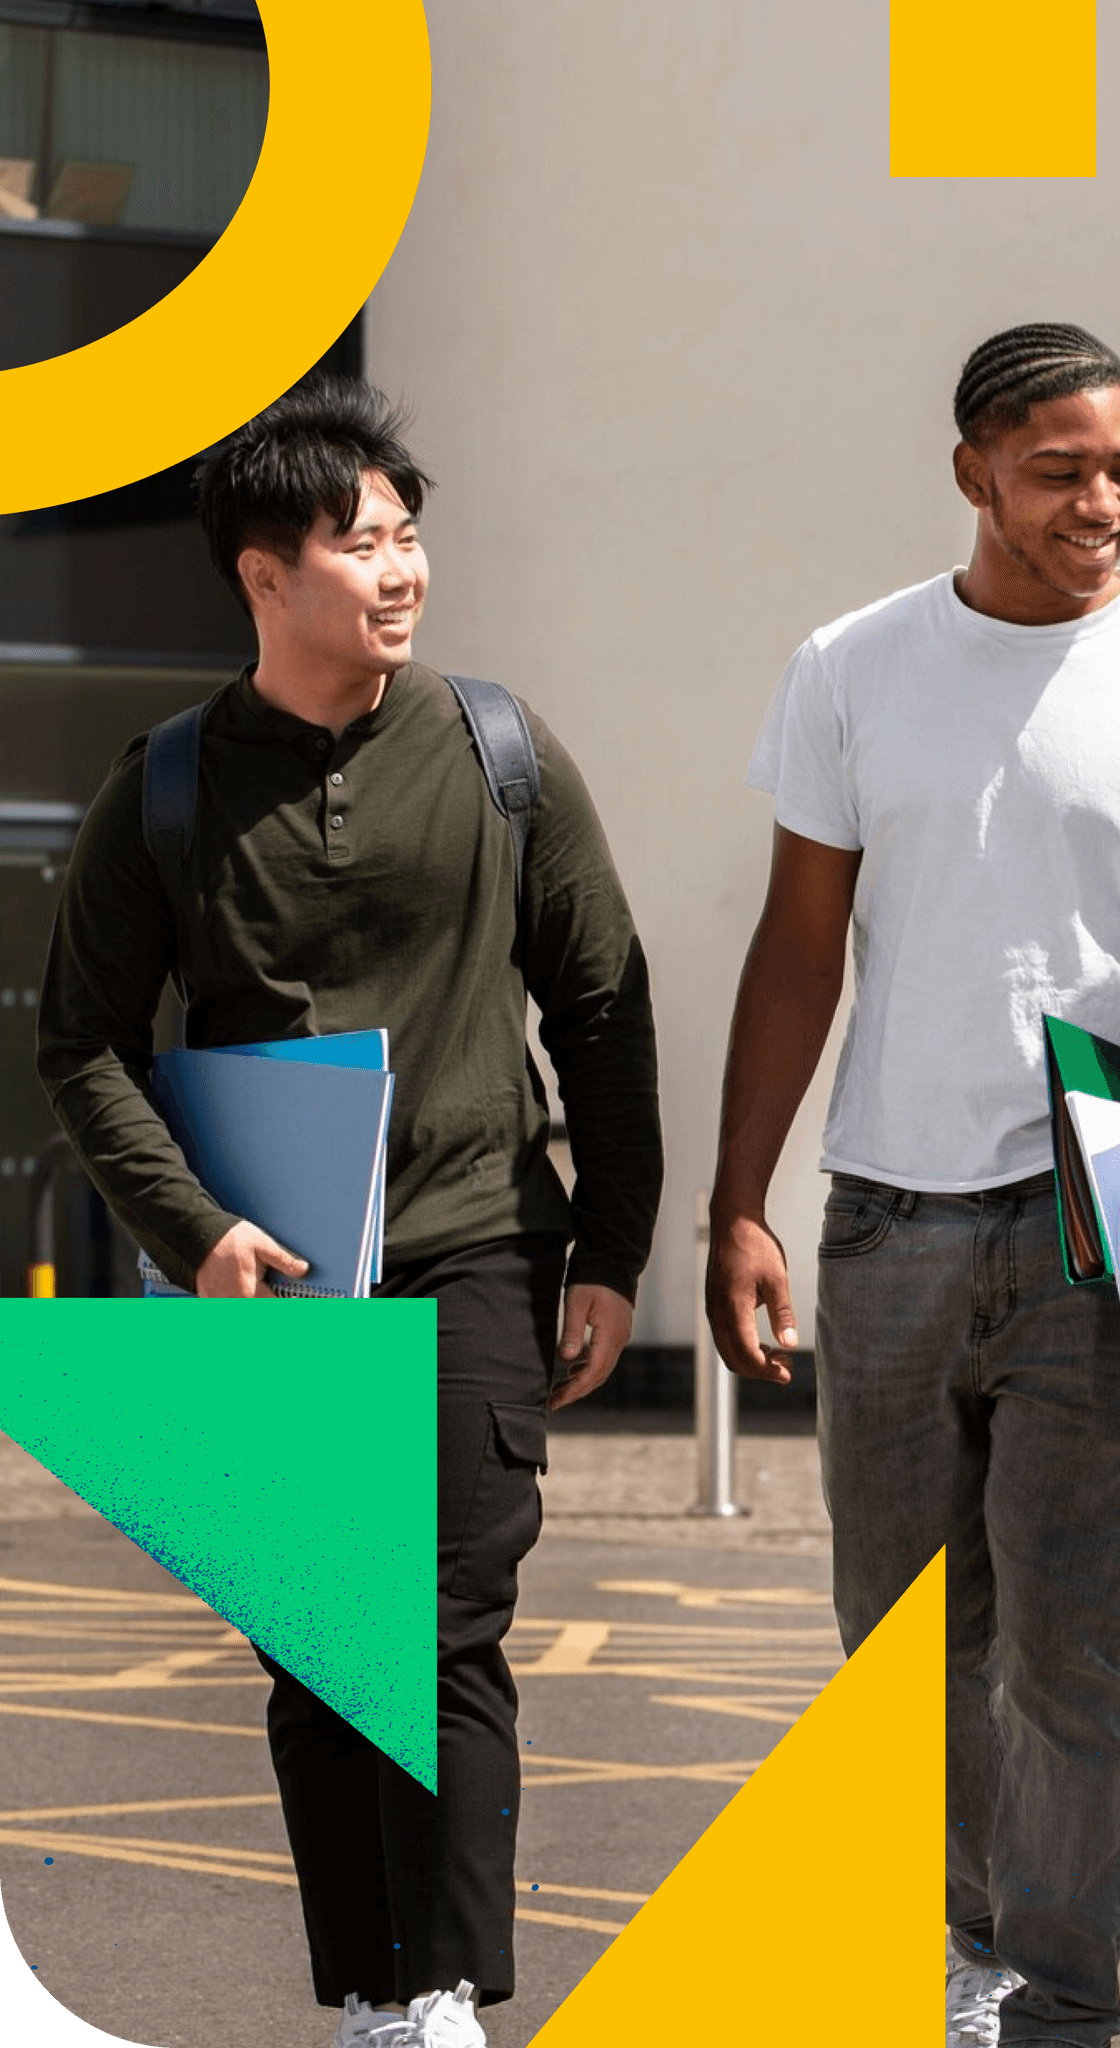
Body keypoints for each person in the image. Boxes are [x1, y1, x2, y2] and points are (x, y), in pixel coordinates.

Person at [37, 375, 663, 2048]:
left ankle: (446, 1987)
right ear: (263, 574)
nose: (401, 570)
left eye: (409, 536)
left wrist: (607, 1249)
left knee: (448, 1615)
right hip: (268, 1279)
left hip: (470, 1239)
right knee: (320, 1642)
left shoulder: (498, 753)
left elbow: (599, 1002)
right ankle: (376, 1989)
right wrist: (191, 1231)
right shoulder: (164, 787)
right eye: (360, 543)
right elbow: (80, 1038)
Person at [707, 323, 1120, 2048]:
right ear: (972, 470)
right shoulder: (852, 664)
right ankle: (951, 1953)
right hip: (886, 1206)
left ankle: (1059, 2002)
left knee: (1072, 1644)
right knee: (899, 1646)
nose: (1103, 500)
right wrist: (738, 1200)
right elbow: (798, 943)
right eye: (1060, 470)